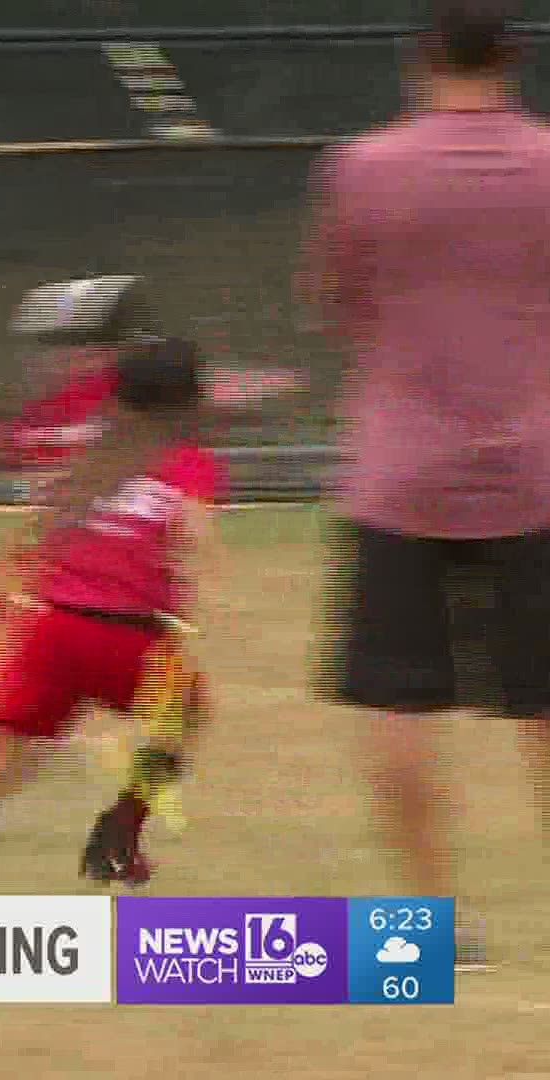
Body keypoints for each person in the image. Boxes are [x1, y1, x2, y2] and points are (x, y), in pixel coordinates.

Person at [301, 0, 550, 970]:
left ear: (421, 56)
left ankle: (435, 925)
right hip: (537, 471)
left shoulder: (362, 168)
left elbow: (338, 305)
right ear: (515, 57)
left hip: (400, 475)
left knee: (399, 703)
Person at [0, 336, 226, 895]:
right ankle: (122, 832)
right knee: (187, 719)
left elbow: (41, 532)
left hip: (53, 625)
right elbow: (194, 542)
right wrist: (189, 591)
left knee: (13, 751)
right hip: (129, 636)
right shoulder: (188, 462)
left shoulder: (91, 456)